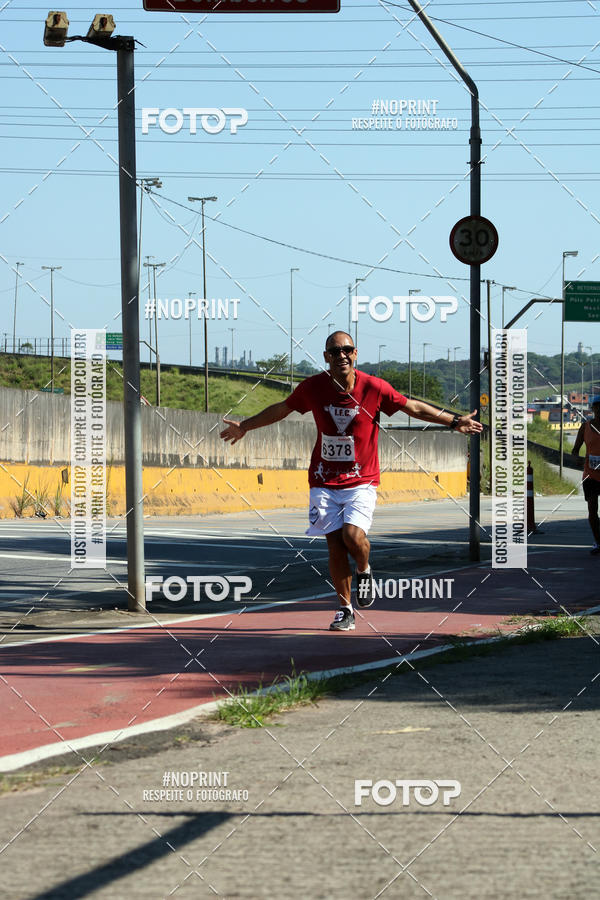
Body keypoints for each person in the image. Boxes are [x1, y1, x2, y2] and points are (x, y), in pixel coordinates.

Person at [219, 331, 482, 631]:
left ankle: (364, 569)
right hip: (323, 479)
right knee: (334, 545)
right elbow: (282, 408)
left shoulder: (374, 387)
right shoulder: (313, 387)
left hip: (361, 479)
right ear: (326, 357)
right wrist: (245, 426)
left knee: (353, 537)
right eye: (335, 351)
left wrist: (453, 421)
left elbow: (412, 407)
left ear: (355, 354)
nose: (341, 355)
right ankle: (345, 609)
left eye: (347, 350)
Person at [572, 395, 600, 555]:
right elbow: (575, 449)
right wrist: (576, 458)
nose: (599, 409)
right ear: (593, 408)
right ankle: (598, 542)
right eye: (597, 406)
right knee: (592, 511)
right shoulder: (585, 427)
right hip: (590, 475)